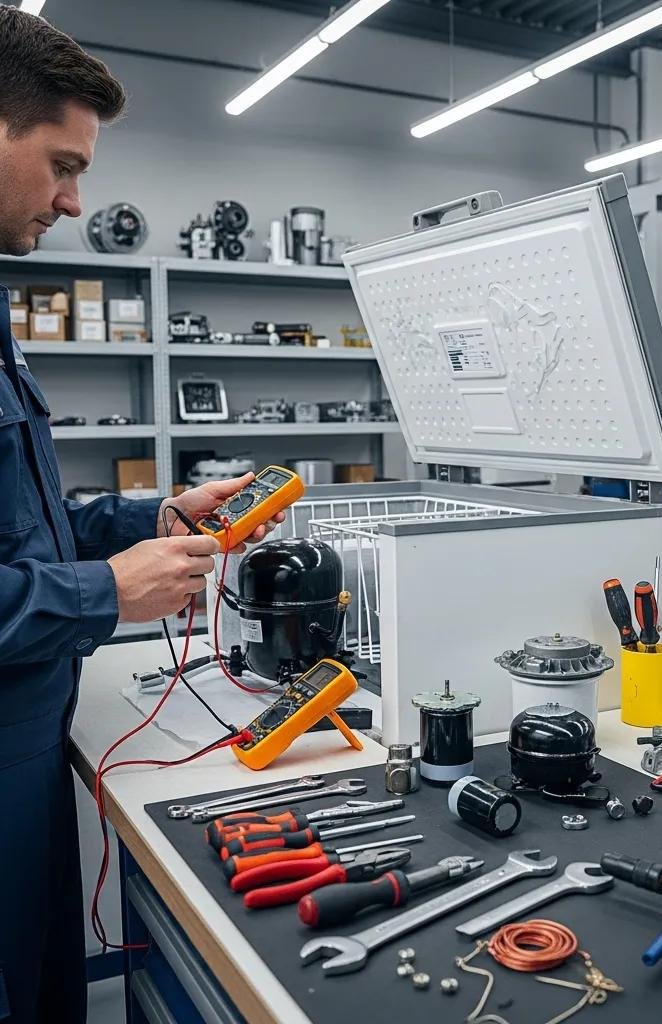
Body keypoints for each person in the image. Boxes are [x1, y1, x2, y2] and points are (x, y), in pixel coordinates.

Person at [0, 10, 283, 1021]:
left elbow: (17, 523)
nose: (76, 201)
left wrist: (141, 518)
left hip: (31, 743)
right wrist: (103, 594)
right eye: (62, 164)